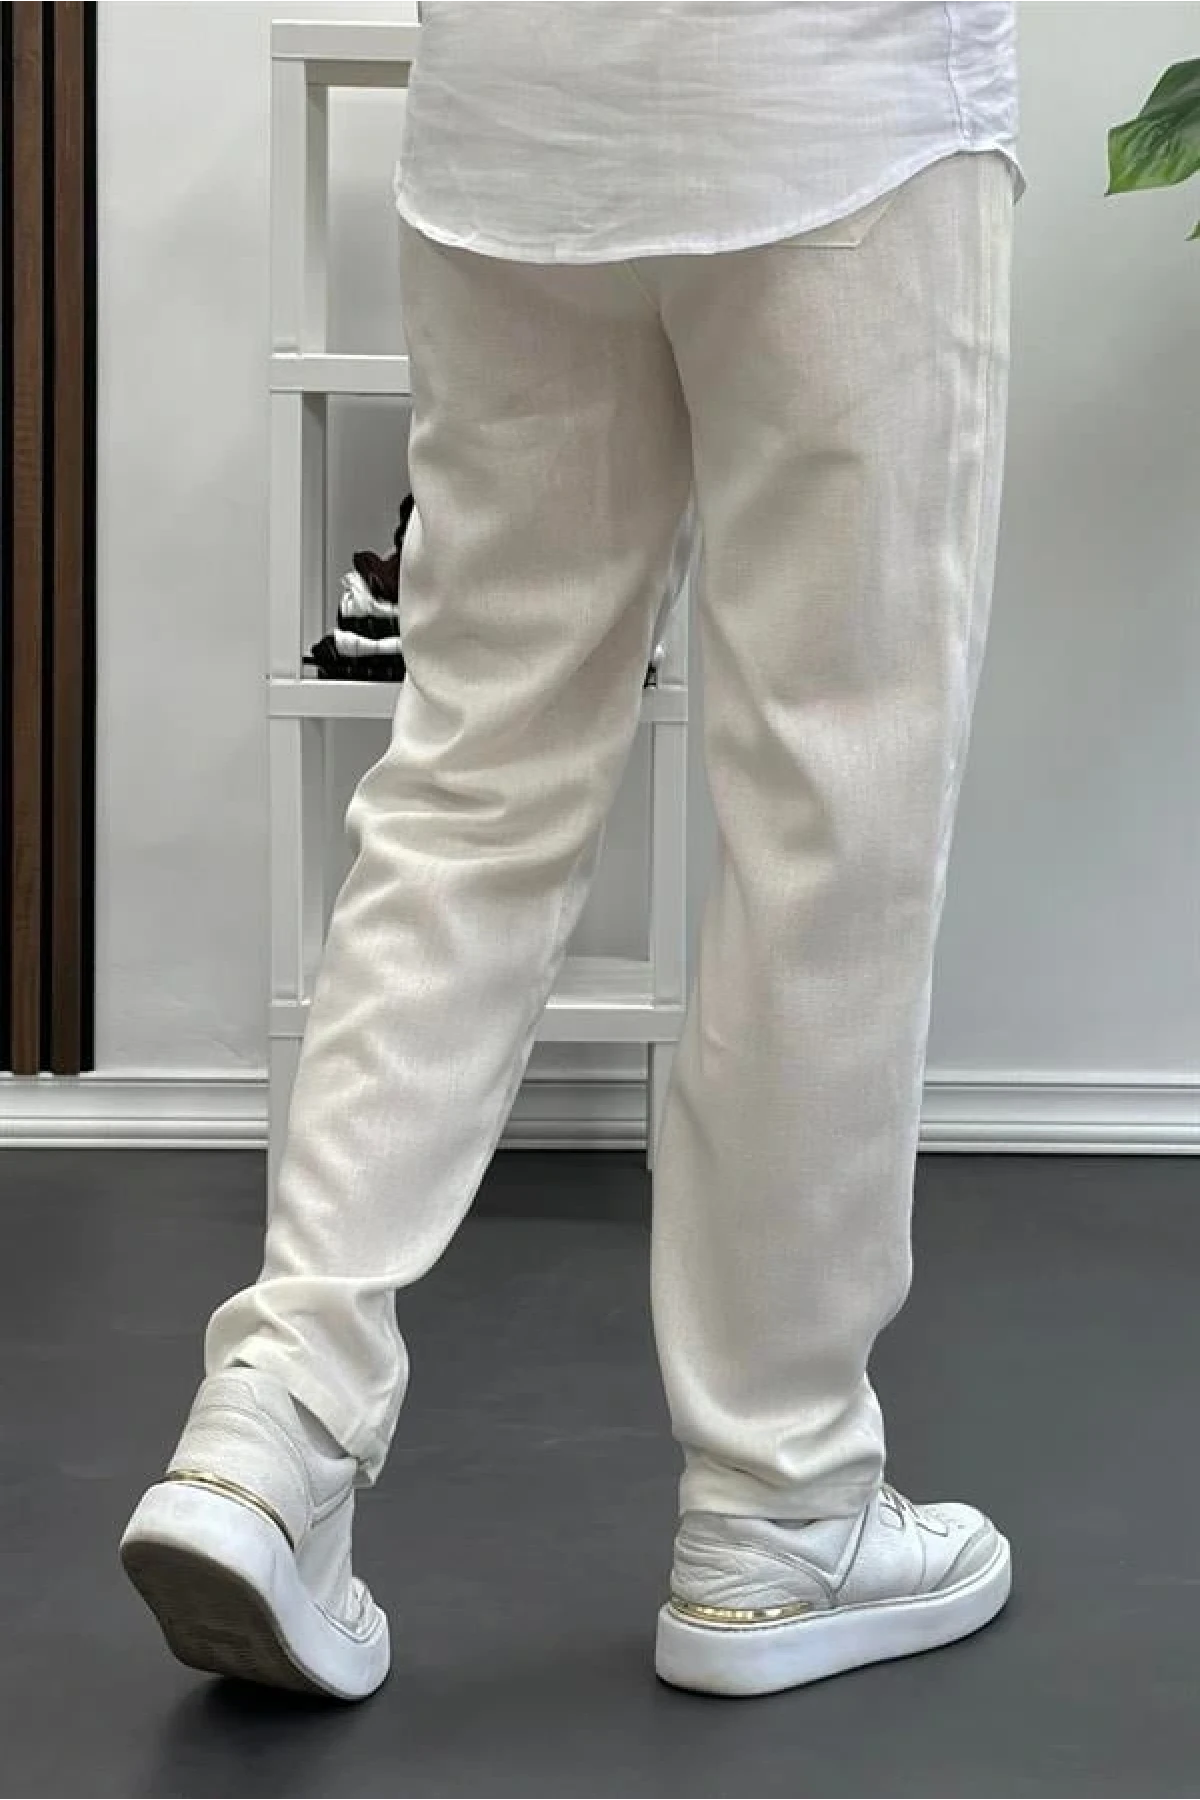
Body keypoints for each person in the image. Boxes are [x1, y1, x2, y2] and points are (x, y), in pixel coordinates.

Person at [120, 0, 1023, 1702]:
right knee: (830, 814)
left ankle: (279, 1413)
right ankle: (782, 1501)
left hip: (518, 123)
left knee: (473, 773)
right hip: (841, 109)